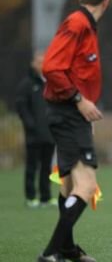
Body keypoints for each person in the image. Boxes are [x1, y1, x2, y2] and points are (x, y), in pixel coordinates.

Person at [34, 0, 110, 262]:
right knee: (87, 186)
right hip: (67, 112)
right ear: (107, 2)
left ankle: (65, 248)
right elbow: (51, 68)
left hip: (70, 114)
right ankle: (49, 253)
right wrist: (79, 100)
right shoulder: (77, 23)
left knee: (68, 186)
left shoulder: (85, 25)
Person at [15, 51, 56, 208]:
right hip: (33, 135)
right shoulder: (26, 84)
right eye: (39, 62)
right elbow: (21, 107)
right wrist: (30, 124)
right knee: (32, 166)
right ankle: (31, 197)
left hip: (49, 133)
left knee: (47, 167)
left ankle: (45, 197)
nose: (42, 65)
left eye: (44, 61)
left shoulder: (51, 84)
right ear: (33, 64)